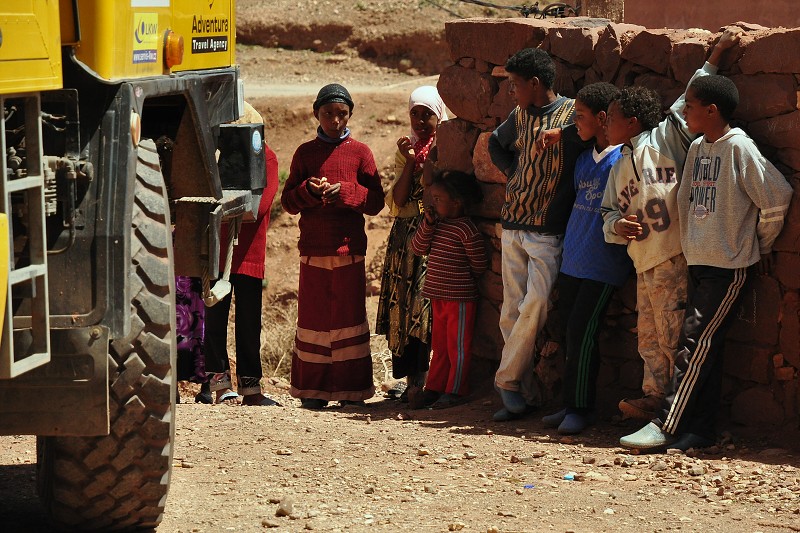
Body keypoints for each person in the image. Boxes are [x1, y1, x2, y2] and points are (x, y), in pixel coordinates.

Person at [620, 74, 792, 451]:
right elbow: (686, 200)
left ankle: (665, 424)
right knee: (705, 348)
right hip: (697, 261)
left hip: (727, 265)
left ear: (712, 111)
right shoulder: (698, 147)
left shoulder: (739, 148)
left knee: (694, 341)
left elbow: (776, 196)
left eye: (691, 106)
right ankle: (701, 431)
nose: (685, 111)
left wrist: (759, 246)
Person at [600, 28, 741, 422]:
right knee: (648, 337)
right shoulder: (617, 164)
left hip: (674, 255)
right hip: (643, 262)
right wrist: (617, 226)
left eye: (612, 119)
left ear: (632, 122)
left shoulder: (664, 139)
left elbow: (689, 97)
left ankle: (675, 407)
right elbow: (607, 213)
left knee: (673, 333)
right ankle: (653, 398)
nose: (605, 124)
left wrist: (716, 54)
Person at [488, 47, 587, 422]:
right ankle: (524, 394)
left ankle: (506, 380)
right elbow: (495, 143)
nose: (511, 92)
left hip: (547, 229)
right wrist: (513, 172)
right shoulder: (519, 116)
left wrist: (564, 134)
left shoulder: (571, 112)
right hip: (513, 223)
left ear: (534, 83)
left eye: (515, 84)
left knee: (536, 304)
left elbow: (596, 132)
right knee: (511, 310)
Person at [281, 83, 384, 409]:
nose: (335, 120)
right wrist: (308, 191)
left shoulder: (361, 153)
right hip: (313, 250)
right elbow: (287, 202)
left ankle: (351, 392)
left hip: (348, 250)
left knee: (348, 319)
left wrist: (347, 192)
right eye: (328, 113)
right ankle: (313, 391)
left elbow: (376, 202)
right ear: (316, 114)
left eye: (342, 114)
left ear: (350, 114)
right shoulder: (305, 153)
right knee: (314, 321)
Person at [538, 82, 632, 434]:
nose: (574, 122)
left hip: (603, 263)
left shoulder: (624, 159)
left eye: (579, 116)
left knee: (583, 331)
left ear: (603, 118)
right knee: (568, 330)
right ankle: (569, 404)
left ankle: (581, 408)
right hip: (574, 260)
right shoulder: (582, 160)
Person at [204, 102, 281, 406]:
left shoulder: (267, 158)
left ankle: (251, 387)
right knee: (214, 320)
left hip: (248, 252)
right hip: (217, 250)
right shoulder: (213, 157)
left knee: (249, 322)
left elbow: (259, 207)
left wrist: (223, 206)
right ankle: (220, 385)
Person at [376, 86, 448, 402]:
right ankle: (411, 380)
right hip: (404, 237)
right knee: (403, 305)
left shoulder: (447, 148)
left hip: (433, 234)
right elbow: (400, 198)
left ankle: (430, 379)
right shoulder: (405, 150)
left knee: (424, 305)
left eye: (427, 114)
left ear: (439, 116)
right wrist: (409, 163)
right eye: (414, 113)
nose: (420, 120)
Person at [410, 171, 488, 409]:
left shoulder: (466, 230)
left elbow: (479, 264)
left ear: (456, 202)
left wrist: (461, 280)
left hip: (459, 298)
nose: (433, 203)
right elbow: (418, 248)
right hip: (437, 296)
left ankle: (456, 390)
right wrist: (428, 224)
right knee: (440, 346)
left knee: (458, 347)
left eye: (438, 199)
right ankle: (435, 387)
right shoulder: (437, 225)